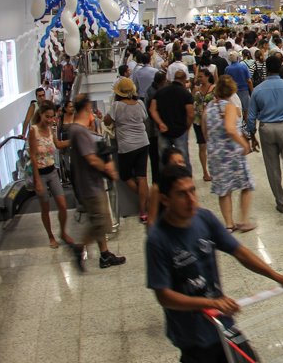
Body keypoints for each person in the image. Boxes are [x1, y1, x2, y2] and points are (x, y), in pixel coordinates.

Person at [145, 164, 283, 363]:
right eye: (181, 194)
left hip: (222, 323)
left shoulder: (204, 218)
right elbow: (163, 296)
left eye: (192, 190)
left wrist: (278, 276)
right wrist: (208, 303)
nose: (191, 199)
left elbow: (239, 251)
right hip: (191, 334)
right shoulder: (158, 240)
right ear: (165, 199)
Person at [66, 94, 126, 272]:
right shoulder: (79, 131)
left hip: (91, 183)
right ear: (87, 109)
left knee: (97, 219)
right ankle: (79, 247)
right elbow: (91, 159)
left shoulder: (80, 130)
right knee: (102, 224)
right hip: (90, 185)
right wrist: (108, 170)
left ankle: (105, 254)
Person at [247, 53, 283, 213]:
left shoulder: (258, 90)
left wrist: (252, 136)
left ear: (266, 69)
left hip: (266, 128)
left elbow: (251, 118)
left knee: (272, 167)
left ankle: (281, 202)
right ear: (280, 68)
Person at [204, 75, 256, 233]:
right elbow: (231, 129)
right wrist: (244, 144)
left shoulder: (209, 108)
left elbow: (205, 131)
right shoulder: (230, 107)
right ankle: (244, 220)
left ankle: (228, 224)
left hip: (215, 154)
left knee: (223, 189)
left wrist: (213, 145)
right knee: (247, 185)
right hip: (231, 153)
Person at [104, 78, 152, 224]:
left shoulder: (117, 106)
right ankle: (144, 210)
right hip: (143, 143)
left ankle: (146, 200)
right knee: (142, 176)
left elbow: (107, 121)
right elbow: (144, 118)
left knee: (125, 176)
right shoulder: (140, 103)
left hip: (126, 146)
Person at [28, 100, 74, 248]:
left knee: (62, 204)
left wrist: (73, 140)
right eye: (47, 117)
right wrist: (37, 181)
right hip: (40, 174)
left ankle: (63, 232)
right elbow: (33, 156)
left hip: (52, 171)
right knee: (45, 208)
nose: (50, 120)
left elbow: (58, 144)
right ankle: (50, 236)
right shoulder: (33, 131)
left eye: (52, 117)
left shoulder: (51, 129)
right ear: (41, 114)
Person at [150, 70, 195, 169]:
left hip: (163, 131)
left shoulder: (161, 91)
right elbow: (191, 114)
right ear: (184, 80)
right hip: (180, 131)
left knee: (163, 159)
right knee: (183, 159)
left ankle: (166, 182)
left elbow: (152, 109)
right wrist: (187, 128)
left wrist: (160, 123)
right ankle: (186, 180)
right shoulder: (185, 94)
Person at [224, 51, 253, 121]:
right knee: (246, 109)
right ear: (237, 58)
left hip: (232, 92)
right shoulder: (243, 66)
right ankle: (245, 123)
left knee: (234, 108)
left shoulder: (227, 69)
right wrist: (252, 91)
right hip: (244, 90)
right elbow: (249, 80)